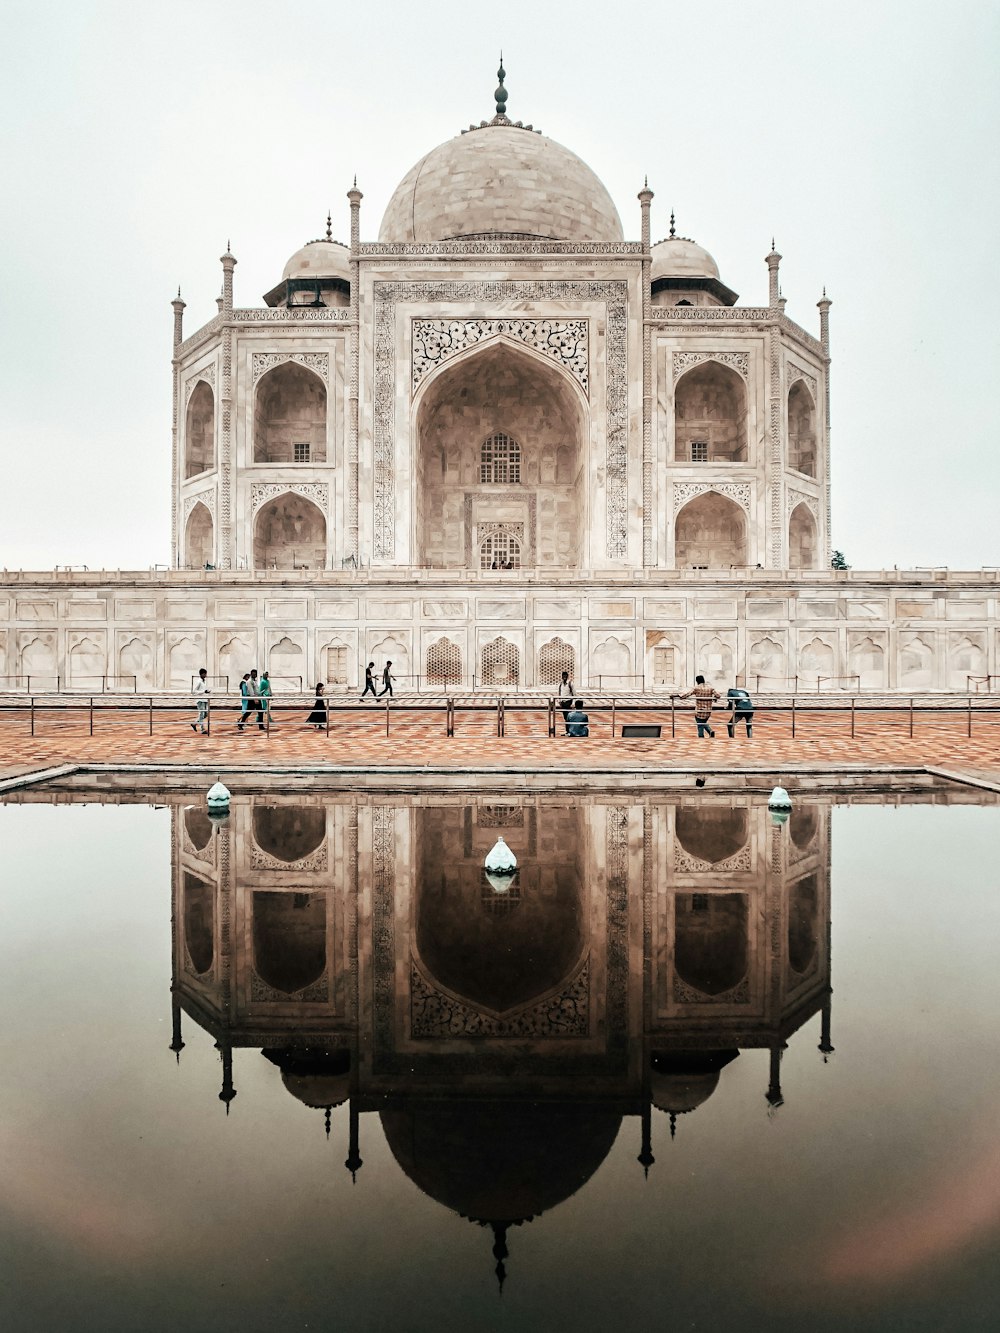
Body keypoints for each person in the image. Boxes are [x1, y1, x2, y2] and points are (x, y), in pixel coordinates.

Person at [191, 668, 210, 733]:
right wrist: (203, 691)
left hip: (204, 699)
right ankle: (202, 729)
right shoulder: (199, 682)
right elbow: (194, 691)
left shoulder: (203, 681)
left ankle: (195, 723)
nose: (206, 675)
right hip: (200, 700)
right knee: (202, 714)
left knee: (205, 714)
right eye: (205, 674)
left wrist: (206, 692)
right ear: (201, 674)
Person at [557, 669, 574, 734]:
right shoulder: (561, 684)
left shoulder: (570, 683)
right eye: (563, 676)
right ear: (562, 676)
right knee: (565, 717)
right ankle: (568, 731)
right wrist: (559, 701)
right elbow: (559, 693)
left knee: (568, 717)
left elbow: (574, 694)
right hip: (563, 703)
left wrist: (573, 703)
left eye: (565, 676)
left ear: (567, 676)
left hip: (568, 702)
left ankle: (570, 731)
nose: (564, 677)